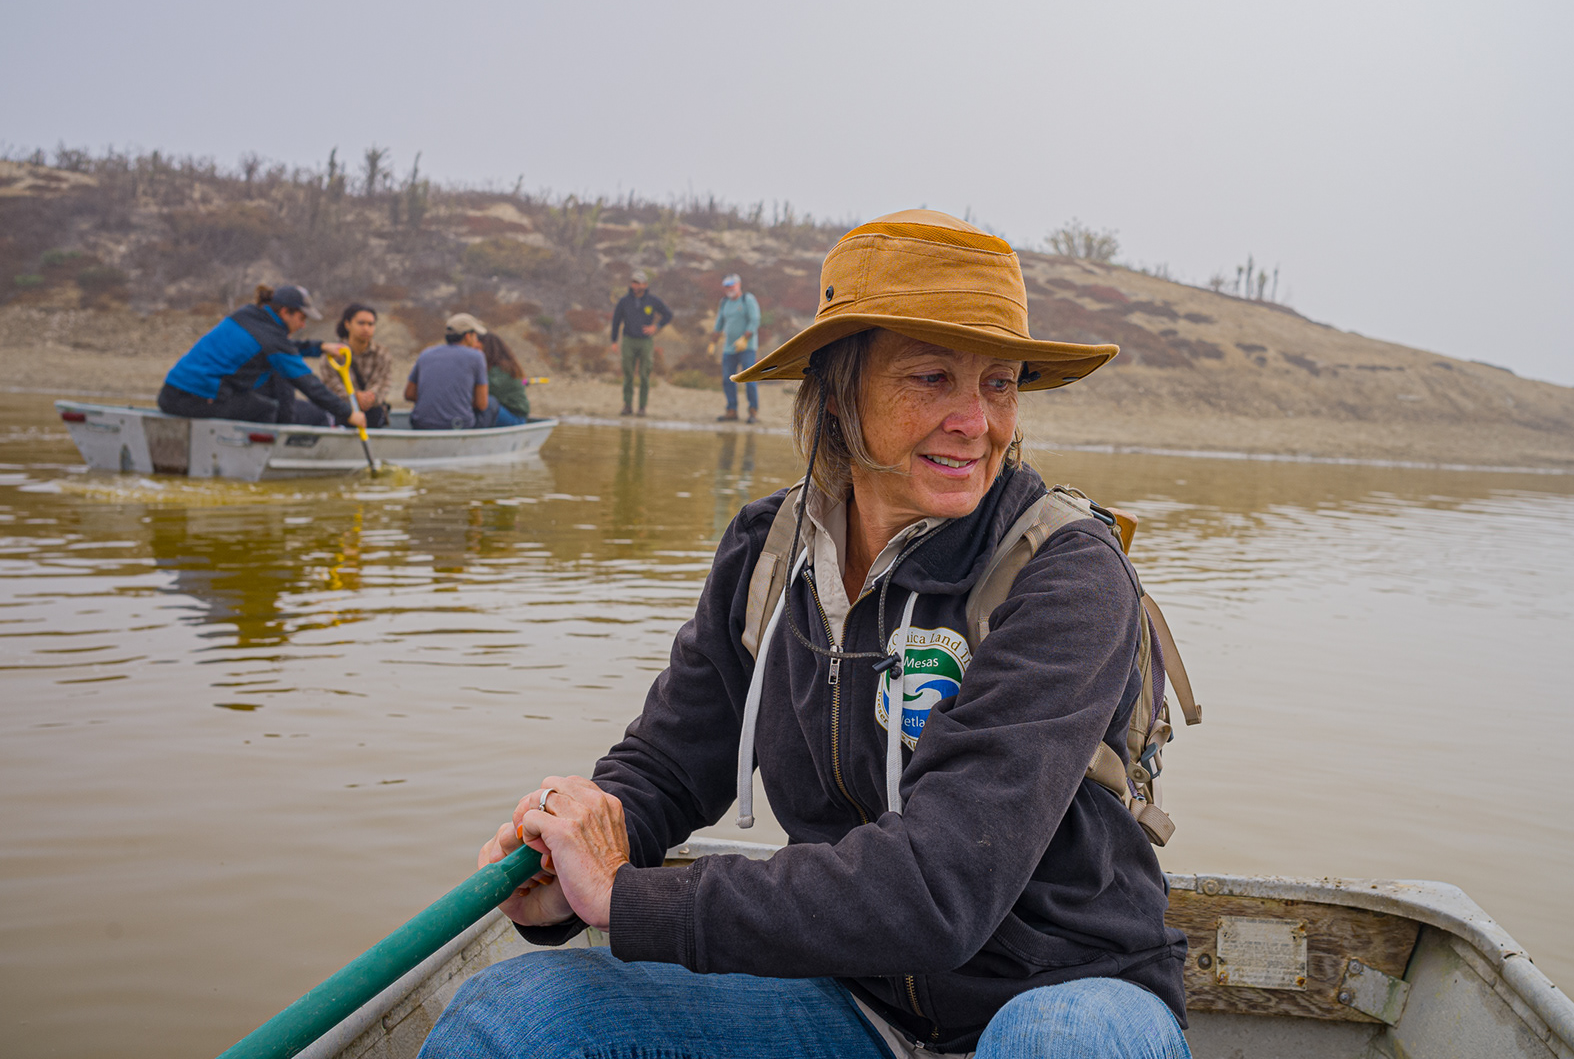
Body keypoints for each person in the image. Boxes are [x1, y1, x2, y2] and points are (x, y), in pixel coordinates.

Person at [423, 211, 1188, 1059]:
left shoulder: (1068, 575)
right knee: (513, 1016)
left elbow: (944, 887)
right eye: (932, 378)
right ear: (834, 390)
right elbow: (673, 764)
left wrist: (629, 899)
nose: (976, 421)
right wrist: (574, 858)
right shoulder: (767, 551)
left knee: (1060, 1045)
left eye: (999, 383)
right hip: (855, 1005)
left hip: (1064, 992)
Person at [159, 284, 363, 430]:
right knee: (267, 409)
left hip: (170, 393)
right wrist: (347, 413)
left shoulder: (248, 314)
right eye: (302, 318)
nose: (303, 325)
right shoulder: (272, 339)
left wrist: (320, 347)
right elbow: (308, 383)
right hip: (195, 400)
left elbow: (280, 348)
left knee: (257, 395)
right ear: (285, 312)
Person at [406, 313, 520, 430]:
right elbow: (482, 404)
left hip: (420, 424)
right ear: (468, 336)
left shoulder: (426, 353)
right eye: (475, 335)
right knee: (492, 403)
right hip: (457, 426)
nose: (476, 339)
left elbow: (409, 394)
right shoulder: (476, 357)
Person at [321, 302, 393, 428]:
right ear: (348, 324)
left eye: (370, 324)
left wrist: (369, 397)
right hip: (341, 413)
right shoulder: (334, 353)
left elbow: (383, 383)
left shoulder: (382, 354)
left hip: (372, 416)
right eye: (361, 323)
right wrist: (354, 397)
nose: (366, 328)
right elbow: (330, 385)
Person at [610, 274, 673, 417]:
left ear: (645, 285)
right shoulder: (624, 301)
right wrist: (614, 340)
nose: (635, 286)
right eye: (633, 282)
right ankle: (627, 405)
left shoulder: (652, 300)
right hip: (628, 340)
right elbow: (616, 320)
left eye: (638, 283)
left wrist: (656, 327)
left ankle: (642, 407)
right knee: (628, 373)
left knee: (645, 374)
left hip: (645, 341)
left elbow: (668, 314)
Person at [711, 271, 760, 423]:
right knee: (727, 379)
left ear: (738, 285)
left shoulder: (748, 299)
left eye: (732, 285)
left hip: (747, 347)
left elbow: (755, 319)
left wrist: (745, 338)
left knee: (749, 380)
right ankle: (731, 410)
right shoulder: (724, 302)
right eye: (726, 286)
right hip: (729, 348)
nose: (729, 288)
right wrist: (713, 340)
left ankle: (753, 411)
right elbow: (720, 321)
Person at [480, 331, 533, 422]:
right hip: (509, 413)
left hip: (515, 417)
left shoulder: (501, 370)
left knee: (486, 403)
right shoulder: (505, 366)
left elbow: (485, 391)